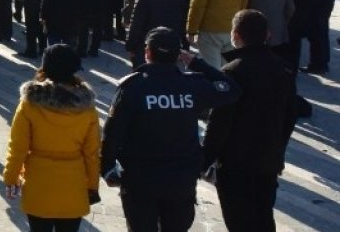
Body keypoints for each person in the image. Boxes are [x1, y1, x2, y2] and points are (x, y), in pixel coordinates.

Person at [100, 27, 242, 232]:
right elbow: (231, 89)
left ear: (147, 53)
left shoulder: (133, 87)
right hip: (180, 179)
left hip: (140, 179)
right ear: (178, 55)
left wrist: (107, 168)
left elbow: (113, 133)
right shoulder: (192, 85)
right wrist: (195, 62)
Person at [203, 10, 299, 232]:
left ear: (235, 35)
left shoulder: (232, 72)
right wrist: (278, 148)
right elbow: (291, 114)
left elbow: (219, 122)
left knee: (240, 221)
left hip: (236, 163)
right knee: (264, 217)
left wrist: (206, 159)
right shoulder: (283, 69)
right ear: (268, 34)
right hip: (268, 159)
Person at [2, 44, 100, 232]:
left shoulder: (30, 104)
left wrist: (11, 177)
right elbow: (92, 153)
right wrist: (92, 186)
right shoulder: (88, 108)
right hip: (73, 186)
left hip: (38, 185)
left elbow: (18, 147)